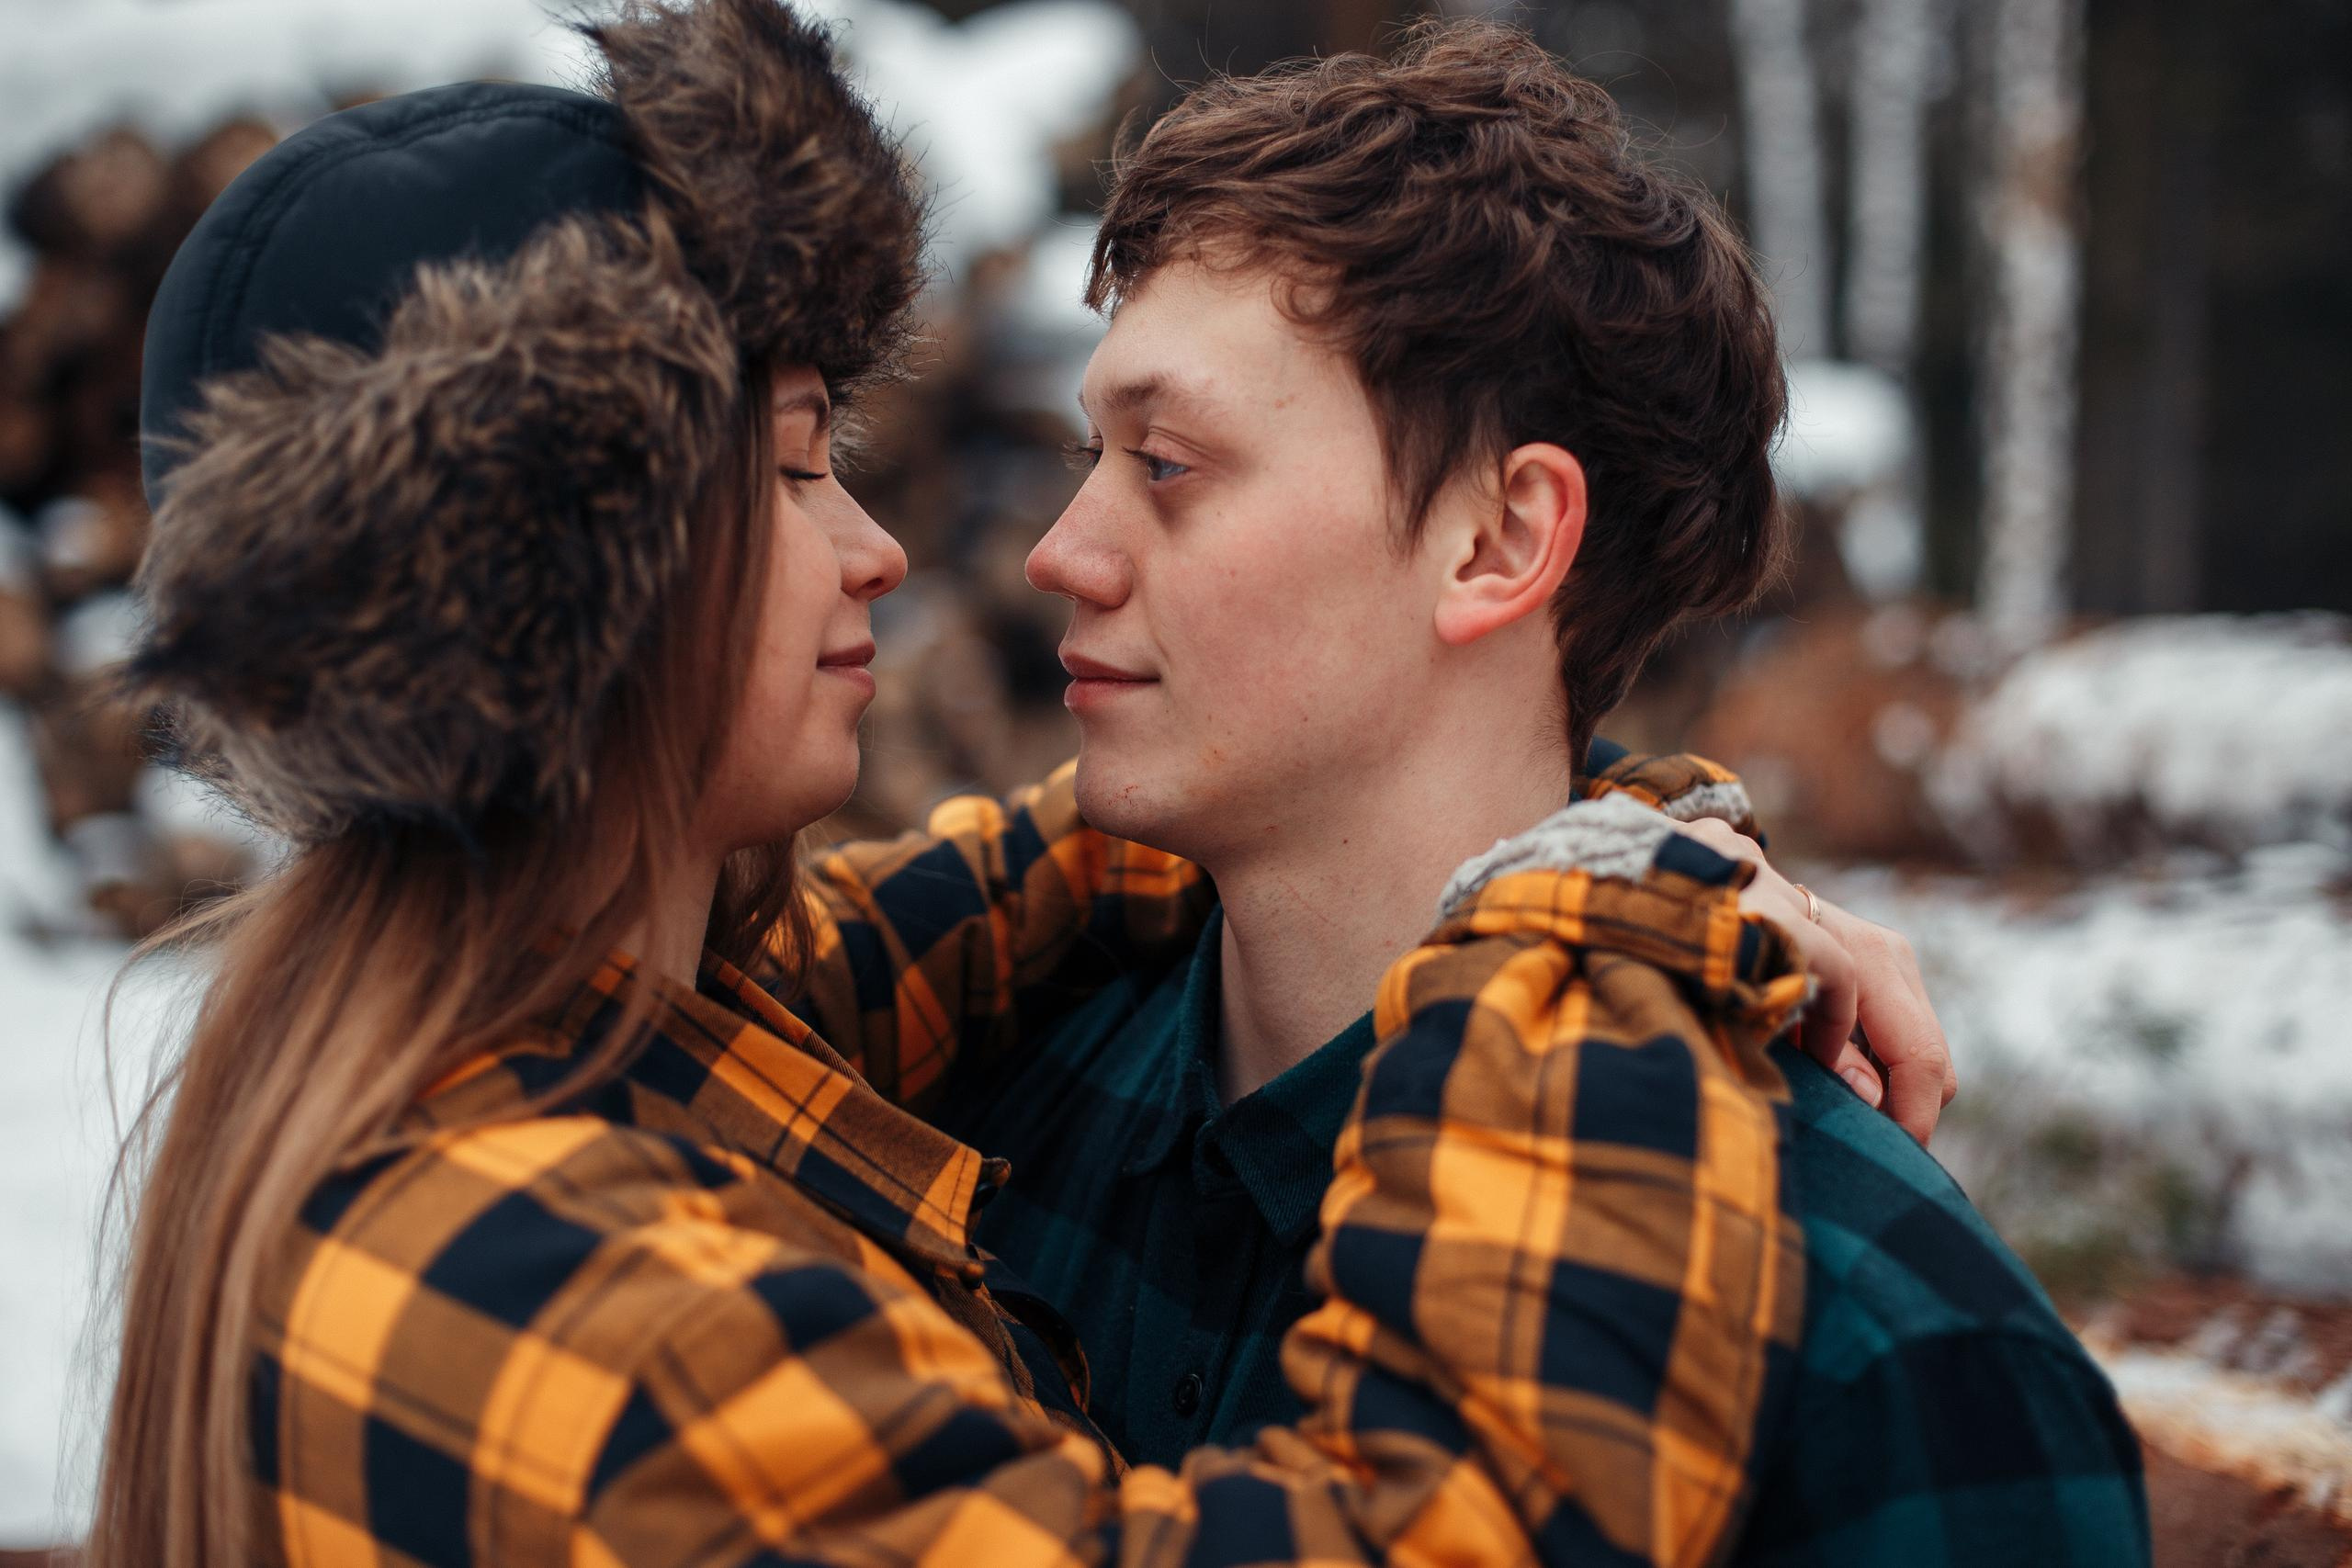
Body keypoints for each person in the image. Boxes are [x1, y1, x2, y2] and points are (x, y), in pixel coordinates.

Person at [94, 3, 1842, 1565]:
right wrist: (1600, 925)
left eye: (1168, 465)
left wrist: (1586, 841)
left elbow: (1015, 888)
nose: (877, 551)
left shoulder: (512, 1024)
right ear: (556, 585)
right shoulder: (594, 1303)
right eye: (788, 472)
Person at [831, 20, 2145, 1565]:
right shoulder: (954, 1120)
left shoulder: (1887, 1346)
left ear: (1500, 542)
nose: (1063, 552)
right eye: (1084, 451)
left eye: (1168, 463)